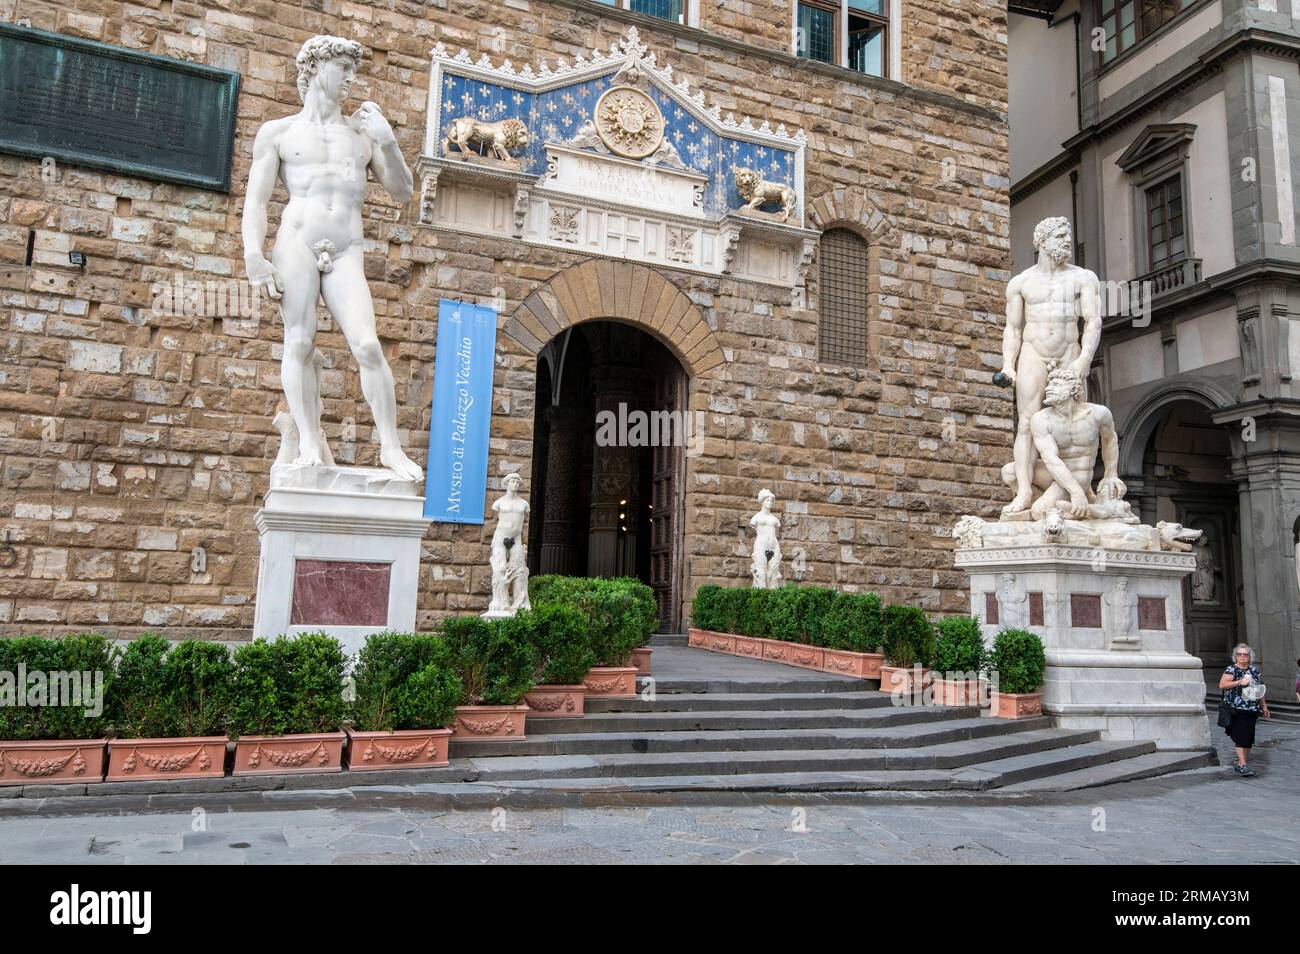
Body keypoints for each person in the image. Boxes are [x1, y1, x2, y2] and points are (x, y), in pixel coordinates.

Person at [1218, 644, 1270, 777]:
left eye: (1245, 655)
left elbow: (1260, 689)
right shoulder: (1231, 669)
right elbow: (1222, 685)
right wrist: (1239, 682)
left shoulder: (1254, 671)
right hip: (1236, 708)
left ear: (1249, 657)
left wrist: (1264, 706)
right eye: (1239, 654)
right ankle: (1243, 764)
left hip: (1252, 708)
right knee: (1240, 737)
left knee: (1248, 737)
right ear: (1235, 656)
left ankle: (1242, 764)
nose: (1242, 657)